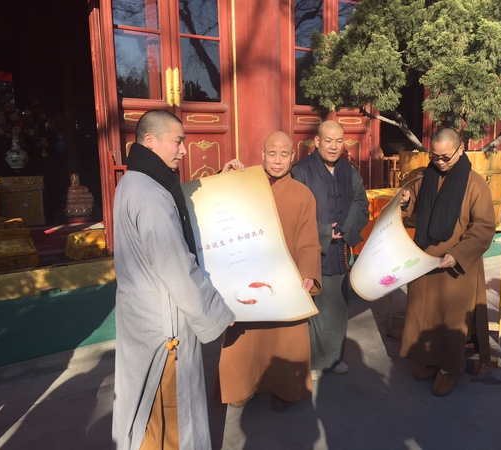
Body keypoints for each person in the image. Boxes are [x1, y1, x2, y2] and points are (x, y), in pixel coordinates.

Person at [112, 109, 238, 450]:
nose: (184, 150)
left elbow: (181, 202)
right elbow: (177, 267)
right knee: (167, 414)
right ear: (150, 141)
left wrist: (219, 181)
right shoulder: (151, 195)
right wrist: (216, 313)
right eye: (178, 141)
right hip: (164, 326)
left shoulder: (133, 182)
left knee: (144, 408)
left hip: (141, 315)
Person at [218, 131, 322, 412]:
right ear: (262, 154)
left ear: (293, 157)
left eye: (284, 154)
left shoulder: (302, 194)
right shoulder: (243, 186)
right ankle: (242, 386)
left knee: (285, 338)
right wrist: (223, 178)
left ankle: (285, 389)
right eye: (272, 153)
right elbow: (213, 209)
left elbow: (308, 241)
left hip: (285, 282)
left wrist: (308, 273)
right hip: (246, 278)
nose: (277, 160)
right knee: (246, 338)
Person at [399, 127, 495, 397]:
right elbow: (411, 211)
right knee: (424, 314)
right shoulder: (424, 177)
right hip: (425, 258)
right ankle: (429, 361)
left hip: (455, 265)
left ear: (460, 149)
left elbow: (484, 227)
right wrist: (405, 202)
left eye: (445, 157)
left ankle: (448, 369)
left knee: (449, 320)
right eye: (434, 156)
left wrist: (458, 254)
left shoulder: (475, 183)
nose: (439, 162)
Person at [291, 120, 369, 379]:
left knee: (337, 306)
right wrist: (324, 231)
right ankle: (313, 361)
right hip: (311, 250)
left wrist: (347, 229)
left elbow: (360, 201)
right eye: (328, 140)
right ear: (317, 141)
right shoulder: (302, 170)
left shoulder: (348, 170)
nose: (334, 146)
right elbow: (293, 213)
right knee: (314, 309)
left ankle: (334, 358)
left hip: (340, 251)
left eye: (339, 141)